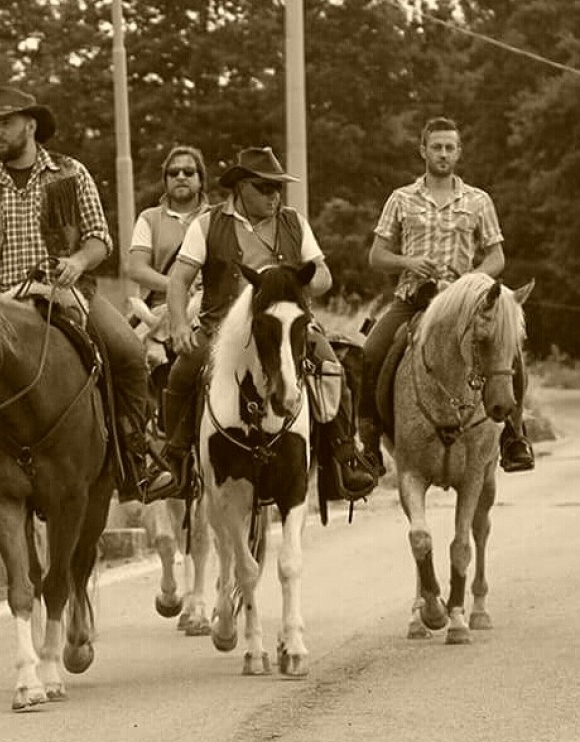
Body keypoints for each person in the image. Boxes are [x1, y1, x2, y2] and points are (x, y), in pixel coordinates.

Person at [0, 85, 173, 511]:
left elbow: (100, 239)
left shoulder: (70, 172)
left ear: (31, 125)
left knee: (130, 354)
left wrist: (78, 262)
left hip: (66, 295)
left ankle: (136, 458)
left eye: (5, 123)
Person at [163, 146, 375, 498]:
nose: (274, 195)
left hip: (286, 324)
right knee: (183, 371)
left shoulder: (295, 222)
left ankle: (344, 456)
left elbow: (323, 275)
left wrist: (298, 284)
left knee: (331, 366)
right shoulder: (208, 224)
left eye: (278, 188)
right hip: (221, 329)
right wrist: (179, 325)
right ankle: (176, 459)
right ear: (241, 187)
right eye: (264, 188)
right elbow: (178, 280)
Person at [359, 116, 534, 475]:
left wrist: (470, 281)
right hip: (413, 299)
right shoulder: (401, 199)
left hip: (465, 304)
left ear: (459, 152)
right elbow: (376, 256)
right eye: (436, 147)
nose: (442, 153)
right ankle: (369, 443)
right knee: (370, 352)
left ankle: (515, 435)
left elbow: (497, 257)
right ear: (423, 150)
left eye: (449, 147)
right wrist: (408, 261)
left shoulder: (478, 200)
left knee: (511, 348)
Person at [126, 145, 210, 309]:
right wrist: (176, 285)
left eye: (188, 171)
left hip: (211, 312)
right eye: (173, 173)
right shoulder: (149, 218)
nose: (180, 176)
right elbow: (136, 268)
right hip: (161, 310)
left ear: (201, 180)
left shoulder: (217, 218)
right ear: (165, 181)